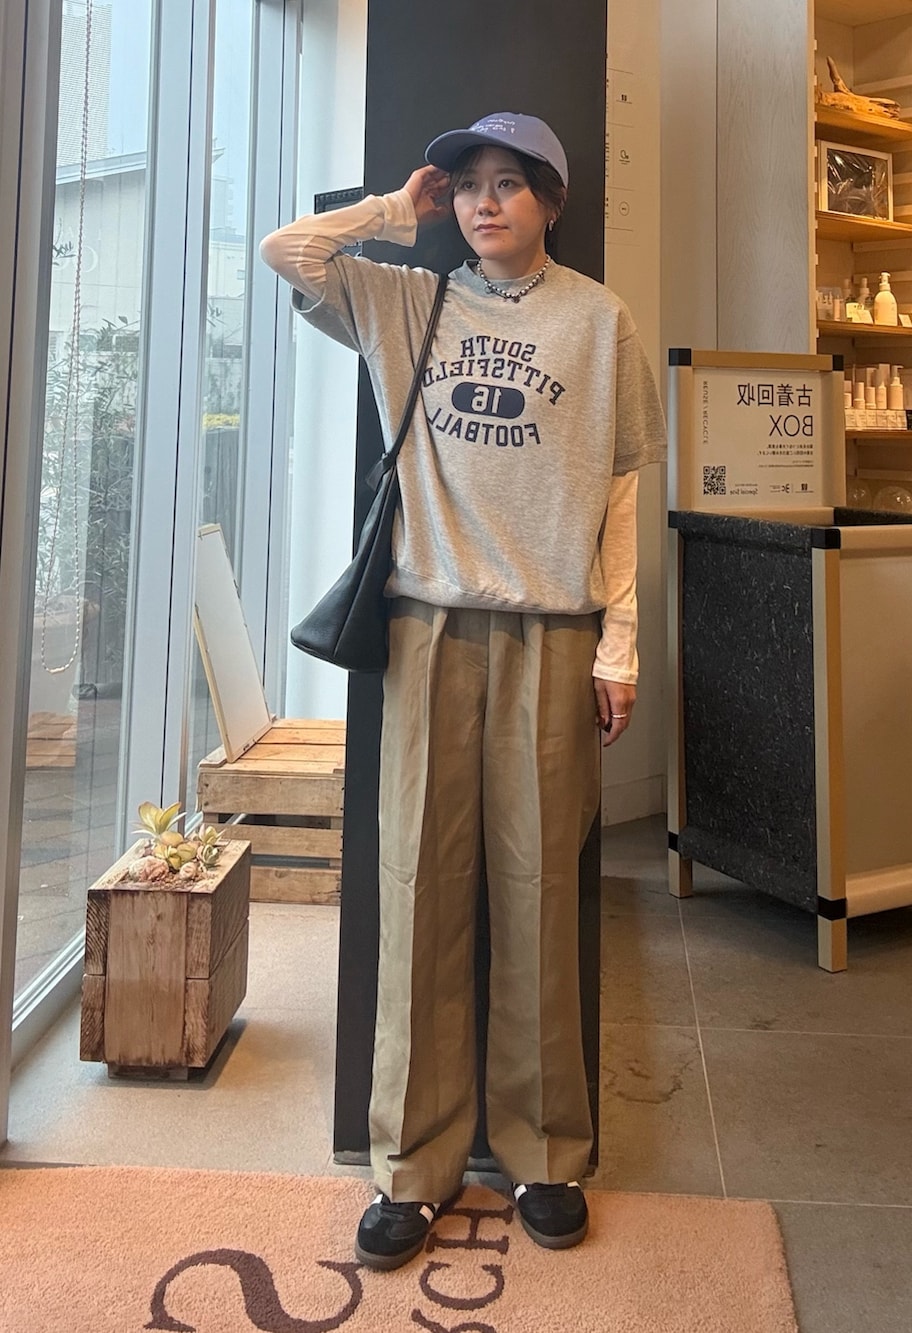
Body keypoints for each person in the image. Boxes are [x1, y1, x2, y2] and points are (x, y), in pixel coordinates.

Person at [260, 111, 666, 1270]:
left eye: (509, 184)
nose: (485, 202)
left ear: (552, 200)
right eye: (470, 183)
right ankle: (411, 1163)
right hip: (426, 627)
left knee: (540, 894)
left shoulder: (597, 320)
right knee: (418, 893)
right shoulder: (406, 301)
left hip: (550, 633)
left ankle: (545, 1149)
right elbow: (289, 250)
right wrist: (401, 209)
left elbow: (623, 491)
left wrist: (620, 644)